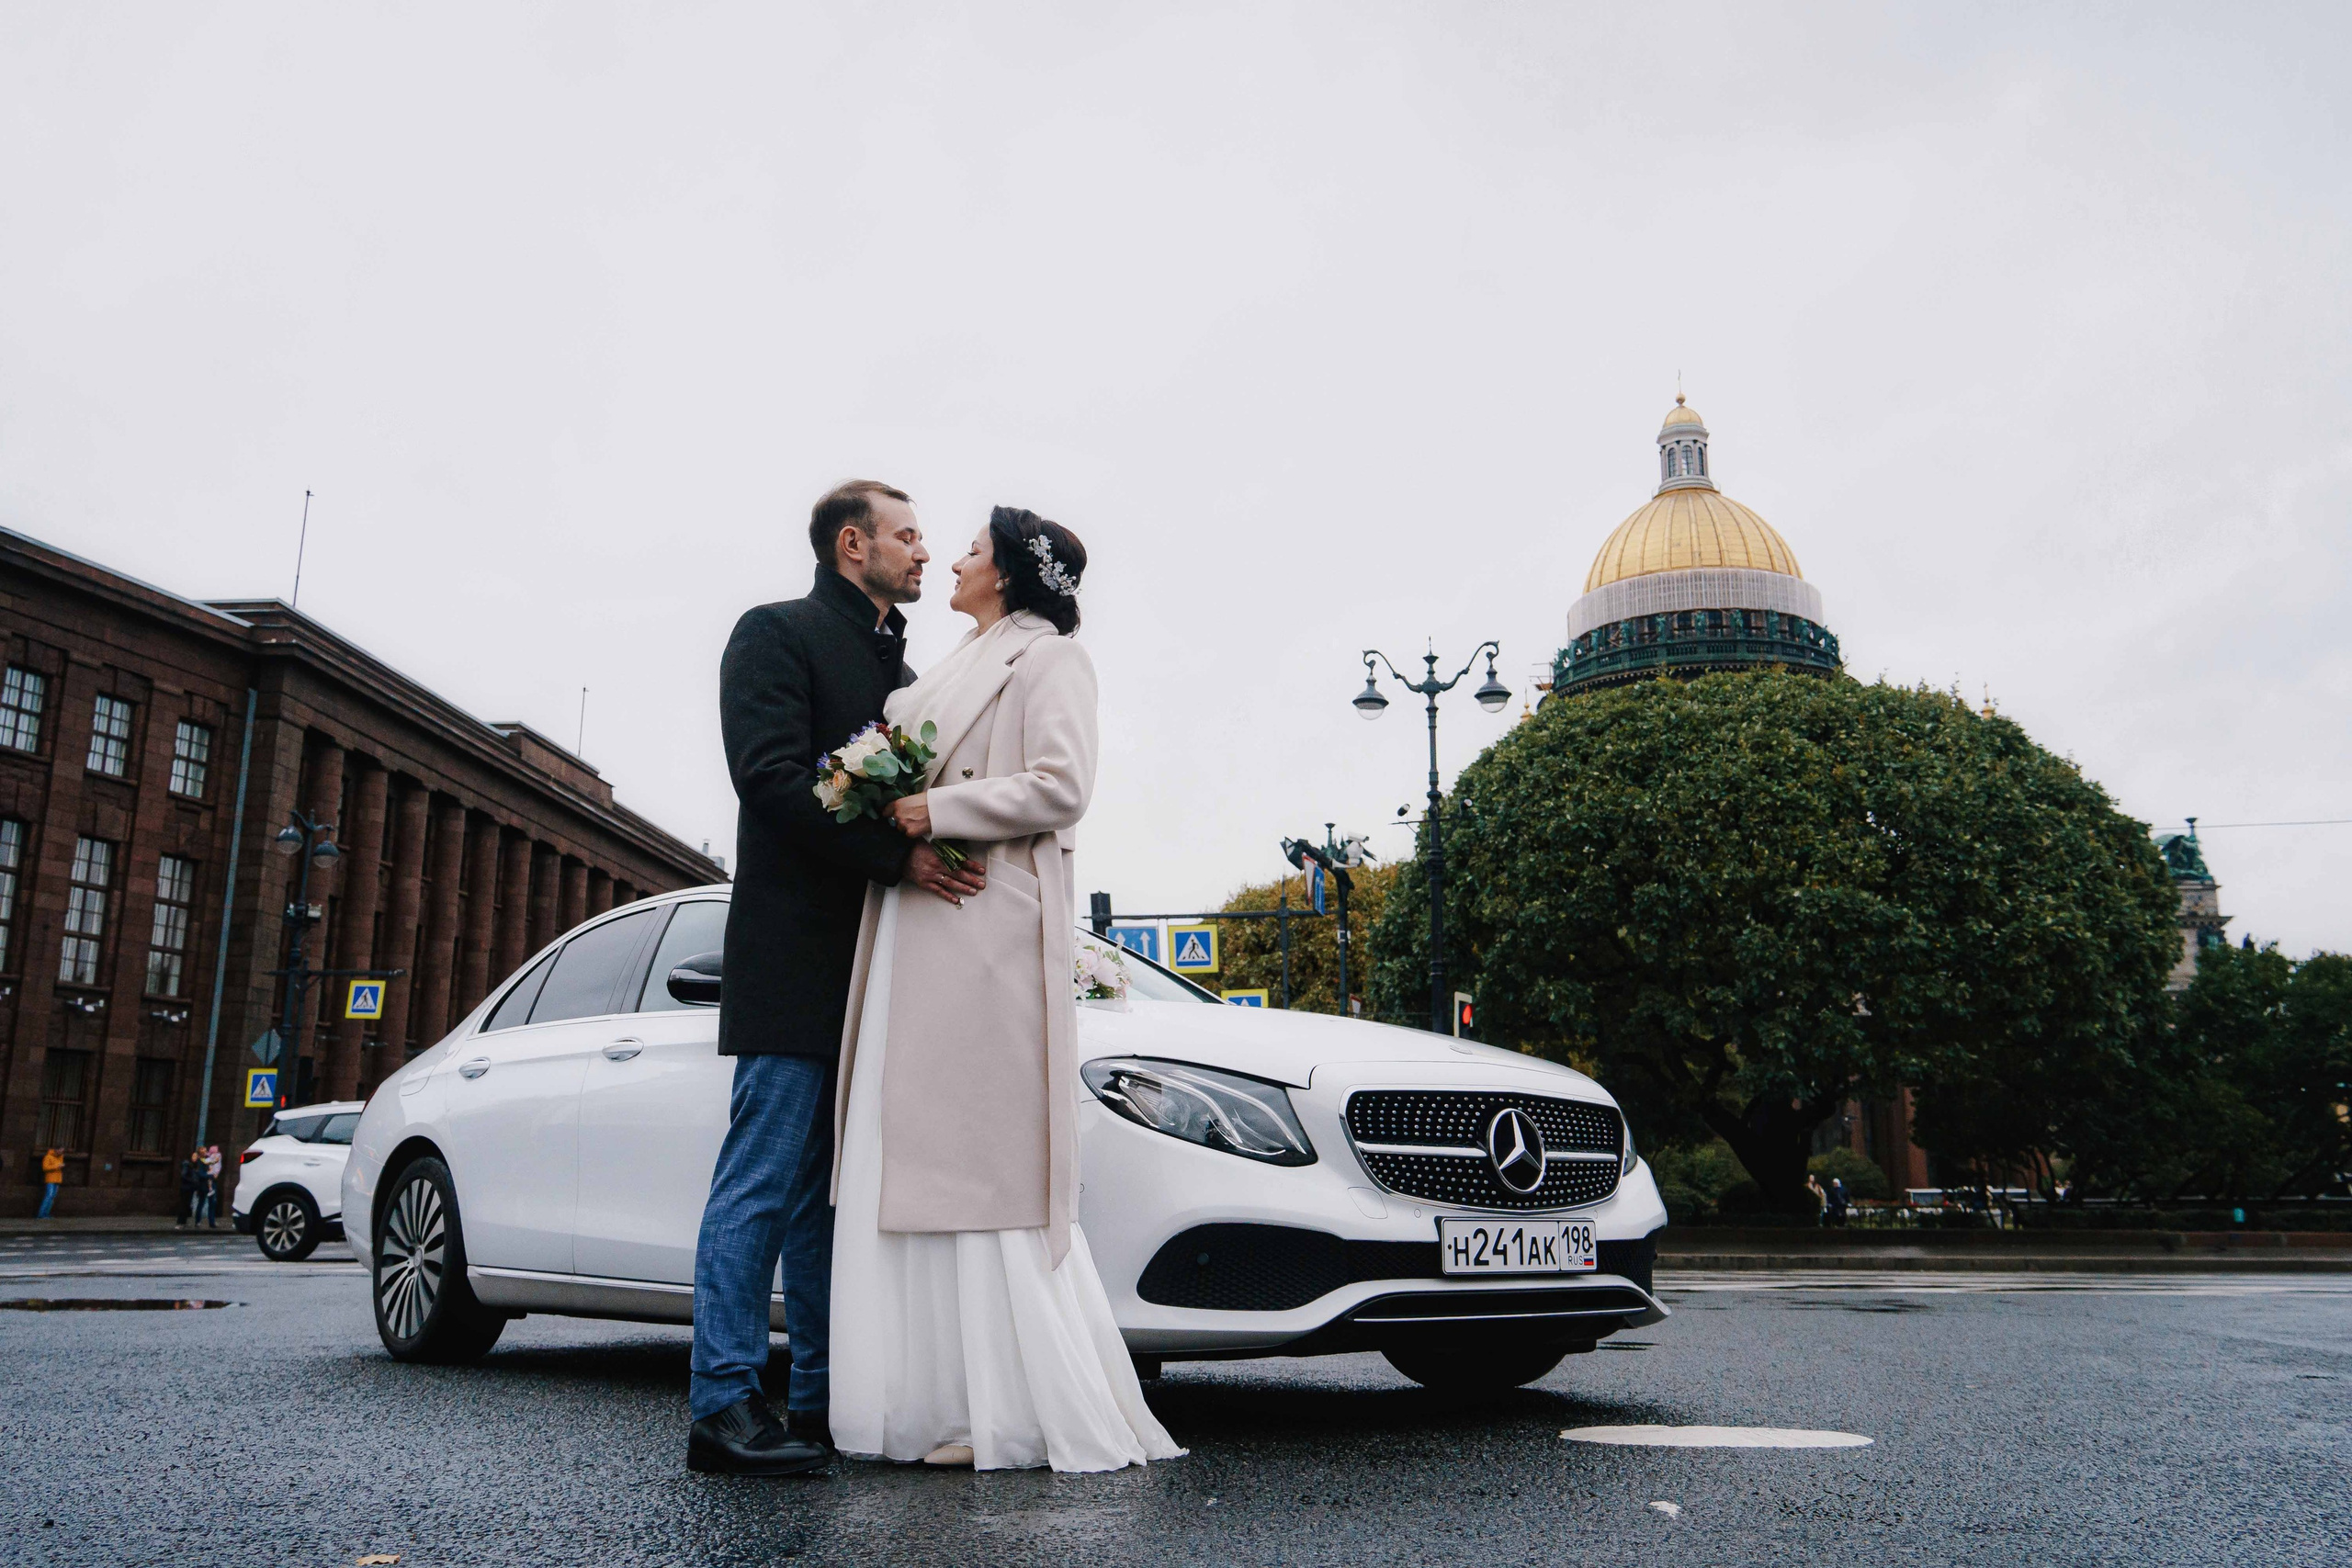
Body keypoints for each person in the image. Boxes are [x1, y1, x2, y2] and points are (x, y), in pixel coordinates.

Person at [830, 505, 1183, 1473]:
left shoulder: (1051, 658)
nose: (952, 558)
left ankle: (1009, 1408)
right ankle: (936, 1397)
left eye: (973, 550)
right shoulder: (947, 663)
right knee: (910, 1158)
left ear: (1013, 574)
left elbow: (1062, 785)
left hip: (985, 924)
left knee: (978, 1164)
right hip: (918, 926)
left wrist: (931, 804)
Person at [686, 480, 987, 1478]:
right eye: (906, 535)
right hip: (794, 958)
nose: (922, 550)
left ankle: (814, 1399)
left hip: (878, 969)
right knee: (763, 1184)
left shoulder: (899, 662)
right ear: (850, 543)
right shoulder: (772, 633)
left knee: (829, 1200)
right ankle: (723, 1404)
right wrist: (892, 858)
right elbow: (770, 779)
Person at [176, 1151, 206, 1228]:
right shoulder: (187, 1165)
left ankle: (183, 1222)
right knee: (184, 1205)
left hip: (190, 1188)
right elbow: (183, 1175)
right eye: (194, 1156)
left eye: (197, 1156)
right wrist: (192, 1181)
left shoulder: (194, 1166)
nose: (195, 1158)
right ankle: (180, 1222)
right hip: (186, 1188)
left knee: (187, 1205)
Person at [201, 1145, 224, 1228]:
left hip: (208, 1181)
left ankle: (200, 1222)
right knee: (211, 1202)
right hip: (210, 1181)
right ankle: (211, 1222)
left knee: (205, 1201)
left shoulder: (207, 1159)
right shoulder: (211, 1159)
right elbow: (217, 1168)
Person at [39, 1146, 64, 1218]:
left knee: (52, 1197)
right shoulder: (48, 1157)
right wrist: (57, 1166)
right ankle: (41, 1214)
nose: (61, 1152)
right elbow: (45, 1167)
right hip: (50, 1179)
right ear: (56, 1150)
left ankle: (46, 1213)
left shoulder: (60, 1157)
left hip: (57, 1179)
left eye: (62, 1151)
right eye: (60, 1151)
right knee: (48, 1196)